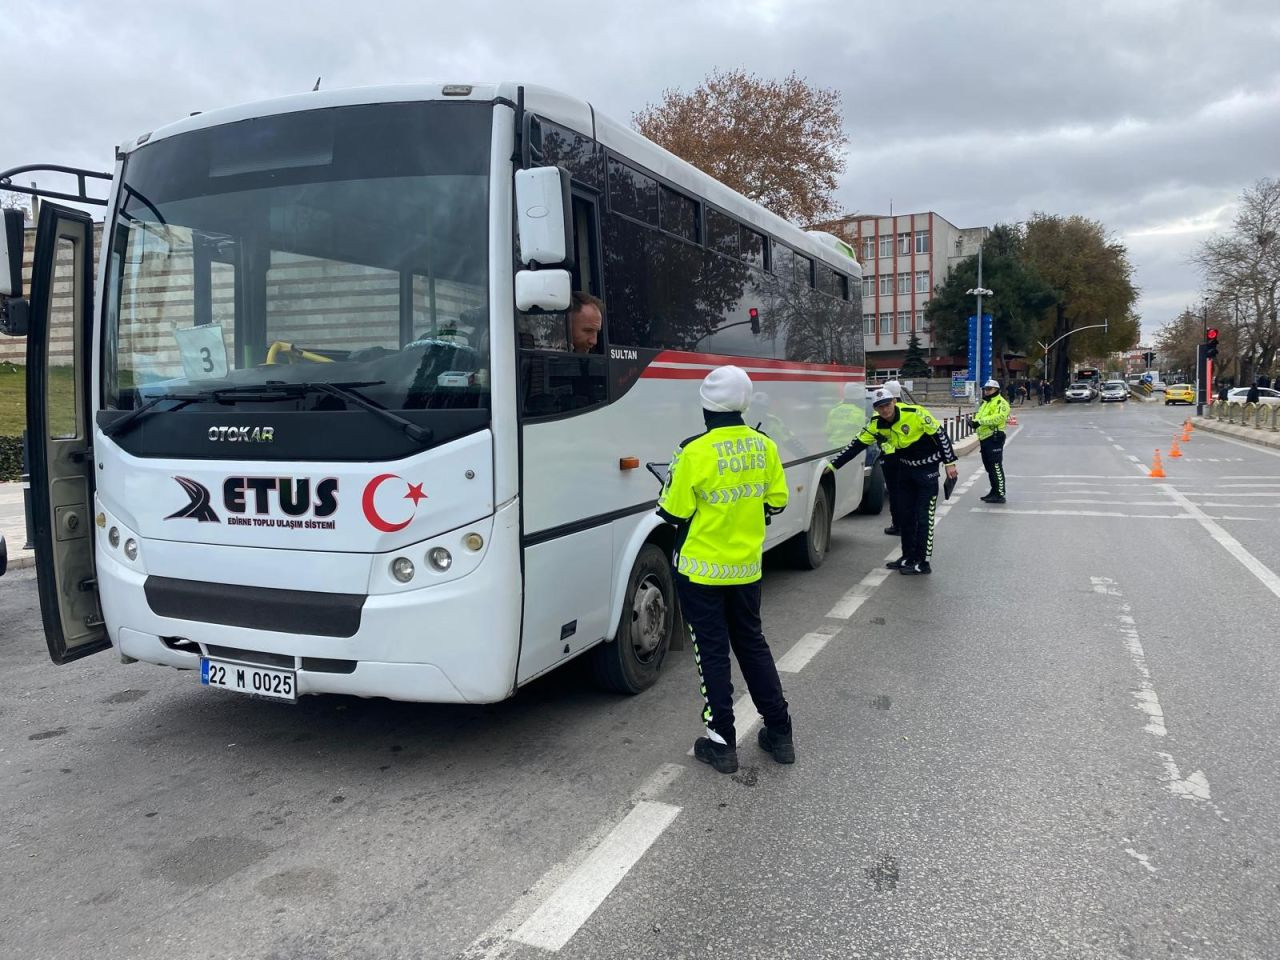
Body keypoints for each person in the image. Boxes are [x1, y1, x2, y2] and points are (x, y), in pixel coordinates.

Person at [657, 365, 793, 775]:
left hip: (701, 573)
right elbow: (777, 502)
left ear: (705, 408)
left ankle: (722, 744)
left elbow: (672, 512)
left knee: (712, 654)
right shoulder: (764, 446)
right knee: (753, 645)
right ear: (745, 404)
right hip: (747, 569)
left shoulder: (694, 451)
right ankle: (780, 733)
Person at [831, 387, 958, 576]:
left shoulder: (915, 413)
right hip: (905, 470)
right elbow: (855, 445)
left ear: (894, 402)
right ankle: (908, 556)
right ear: (875, 409)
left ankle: (923, 562)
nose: (884, 409)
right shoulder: (876, 424)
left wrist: (950, 463)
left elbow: (941, 435)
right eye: (879, 406)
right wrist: (833, 466)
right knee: (905, 515)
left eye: (887, 404)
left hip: (927, 470)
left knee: (924, 517)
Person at [971, 378, 1010, 503]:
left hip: (994, 437)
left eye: (989, 389)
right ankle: (994, 491)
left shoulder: (1001, 403)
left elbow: (999, 417)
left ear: (996, 390)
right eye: (985, 389)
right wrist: (974, 422)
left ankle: (1000, 494)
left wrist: (979, 422)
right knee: (989, 467)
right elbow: (979, 416)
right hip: (984, 438)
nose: (986, 391)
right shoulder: (986, 403)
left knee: (996, 466)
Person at [878, 379, 906, 538]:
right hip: (909, 460)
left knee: (895, 493)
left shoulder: (883, 412)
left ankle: (897, 525)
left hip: (890, 459)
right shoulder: (909, 409)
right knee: (908, 493)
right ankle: (908, 523)